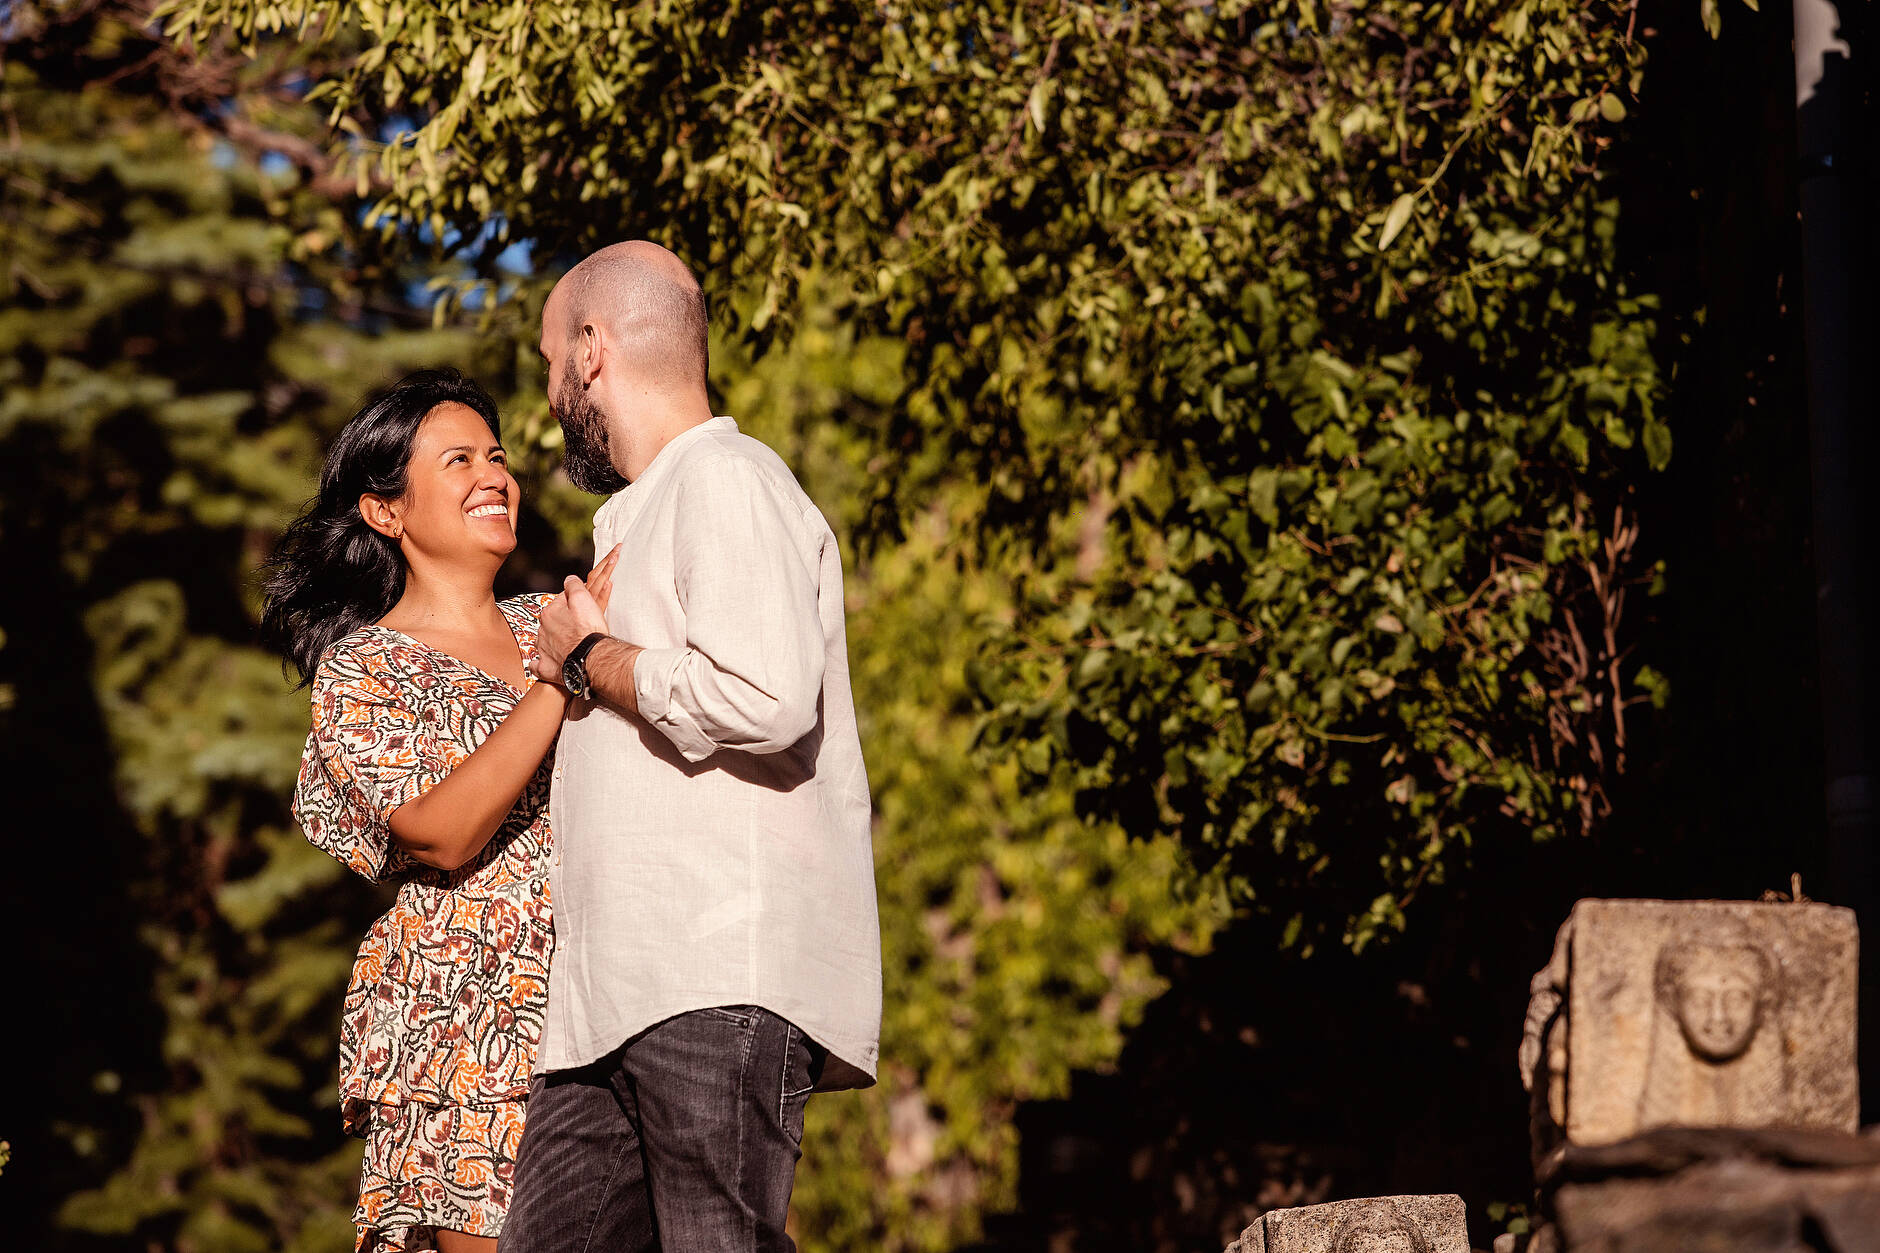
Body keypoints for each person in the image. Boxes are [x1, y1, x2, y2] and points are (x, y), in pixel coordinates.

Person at [501, 242, 882, 1252]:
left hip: (713, 979)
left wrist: (589, 658)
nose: (550, 393)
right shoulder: (644, 511)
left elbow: (766, 695)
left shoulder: (725, 477)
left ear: (591, 352)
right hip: (604, 1009)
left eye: (550, 361)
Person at [263, 369, 619, 1253]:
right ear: (385, 511)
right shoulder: (365, 668)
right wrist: (563, 675)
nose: (493, 475)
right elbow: (441, 830)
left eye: (496, 456)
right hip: (468, 1014)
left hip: (610, 993)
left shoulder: (554, 617)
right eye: (458, 460)